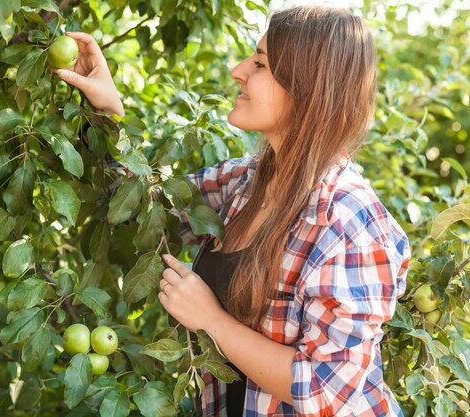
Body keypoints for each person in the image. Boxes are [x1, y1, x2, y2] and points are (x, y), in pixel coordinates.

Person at [55, 5, 411, 417]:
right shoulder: (246, 182)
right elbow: (138, 202)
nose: (238, 70)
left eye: (260, 63)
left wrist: (212, 321)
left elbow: (327, 391)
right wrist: (106, 110)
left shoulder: (348, 222)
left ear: (307, 87)